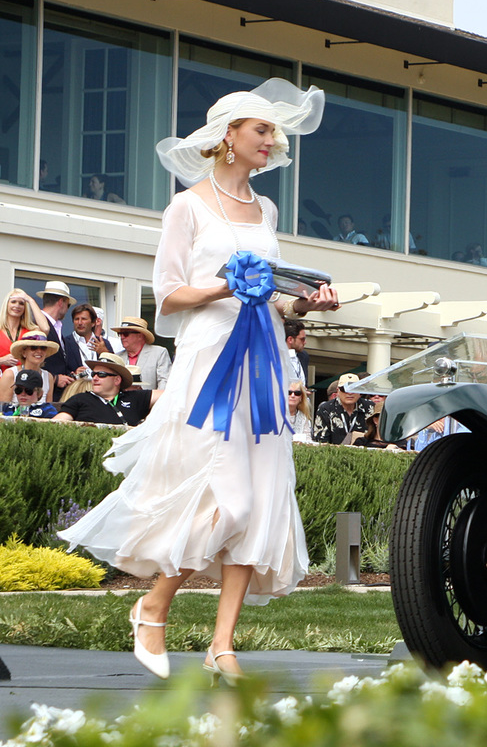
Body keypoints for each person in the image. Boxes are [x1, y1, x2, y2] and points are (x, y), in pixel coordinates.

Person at [59, 77, 335, 683]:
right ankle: (153, 605)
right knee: (225, 499)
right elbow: (171, 296)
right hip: (209, 362)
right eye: (261, 129)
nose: (272, 140)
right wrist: (225, 285)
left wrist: (307, 304)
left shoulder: (267, 210)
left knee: (260, 500)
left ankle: (222, 645)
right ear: (228, 136)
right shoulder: (186, 206)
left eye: (273, 132)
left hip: (261, 362)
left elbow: (275, 298)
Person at [53, 353, 160, 426]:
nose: (95, 378)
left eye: (101, 375)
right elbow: (57, 424)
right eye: (94, 374)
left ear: (117, 380)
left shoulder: (134, 397)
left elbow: (172, 394)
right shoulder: (80, 399)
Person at [37, 282, 87, 394]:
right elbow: (31, 360)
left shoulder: (56, 327)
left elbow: (57, 362)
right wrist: (55, 379)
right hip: (41, 393)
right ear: (61, 302)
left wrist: (70, 374)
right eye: (69, 305)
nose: (67, 309)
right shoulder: (37, 324)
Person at [0, 331, 61, 404]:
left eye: (43, 348)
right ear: (24, 353)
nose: (39, 351)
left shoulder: (48, 377)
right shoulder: (10, 374)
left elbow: (48, 407)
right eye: (33, 348)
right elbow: (3, 409)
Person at [113, 317, 172, 392]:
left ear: (140, 336)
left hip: (149, 402)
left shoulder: (159, 353)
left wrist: (154, 401)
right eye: (120, 334)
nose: (122, 337)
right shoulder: (117, 357)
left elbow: (164, 382)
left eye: (125, 334)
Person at [313, 373, 373, 445]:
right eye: (344, 389)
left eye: (354, 388)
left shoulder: (370, 407)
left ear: (360, 391)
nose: (349, 393)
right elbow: (320, 441)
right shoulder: (325, 409)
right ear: (338, 391)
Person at [0, 290, 51, 370]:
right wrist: (2, 360)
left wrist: (30, 300)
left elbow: (45, 328)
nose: (17, 305)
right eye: (13, 302)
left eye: (21, 303)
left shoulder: (30, 331)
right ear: (6, 304)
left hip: (25, 379)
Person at [284, 319, 309, 384]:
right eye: (302, 339)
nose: (305, 342)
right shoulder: (277, 357)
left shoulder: (304, 356)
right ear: (290, 339)